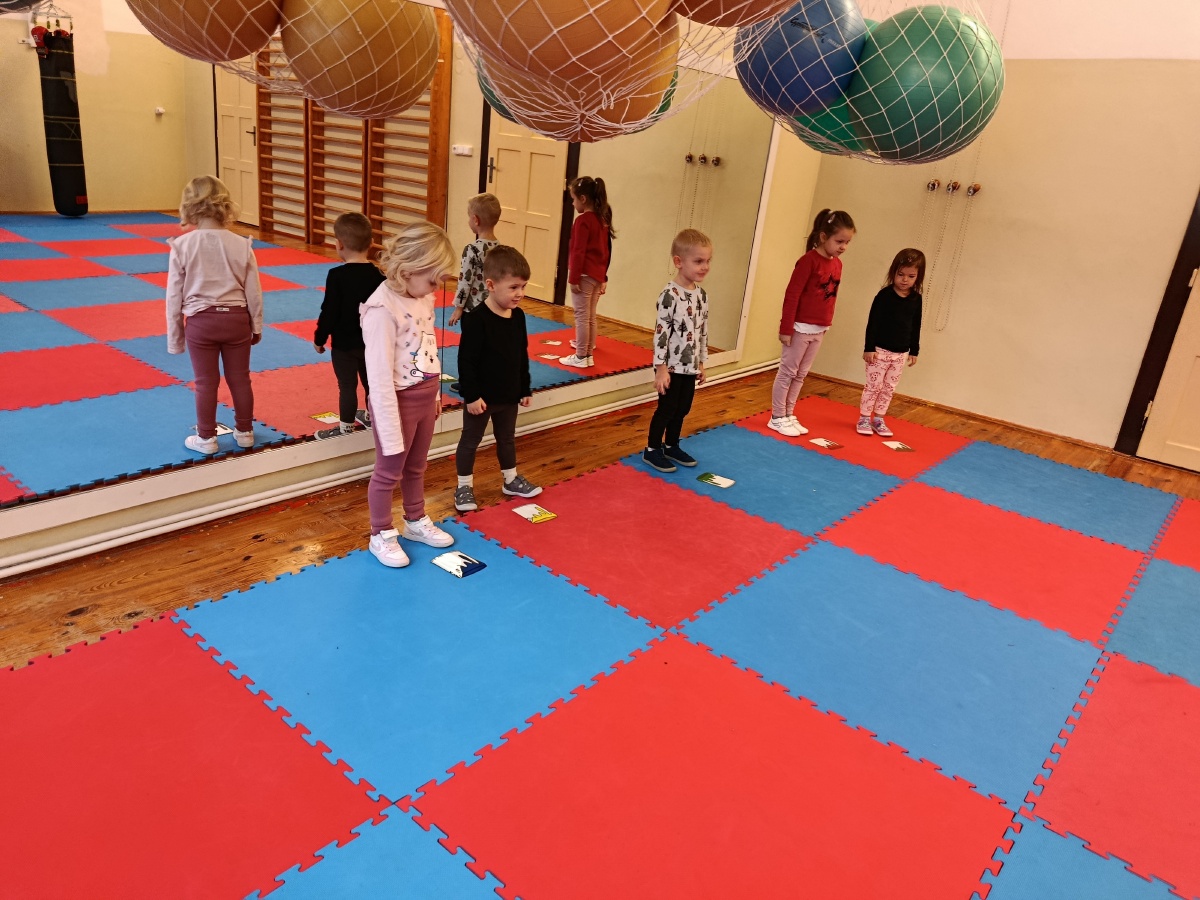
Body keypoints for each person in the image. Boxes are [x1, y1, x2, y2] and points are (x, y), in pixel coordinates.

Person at [362, 221, 457, 568]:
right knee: (389, 471)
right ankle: (381, 533)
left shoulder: (422, 297)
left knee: (417, 466)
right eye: (433, 280)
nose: (437, 288)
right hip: (396, 404)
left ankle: (415, 520)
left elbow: (428, 349)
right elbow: (378, 378)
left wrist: (436, 397)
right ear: (408, 271)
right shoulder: (381, 310)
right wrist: (388, 427)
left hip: (425, 397)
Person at [166, 175, 262, 455]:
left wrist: (175, 338)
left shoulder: (182, 246)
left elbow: (174, 296)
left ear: (189, 206)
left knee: (205, 383)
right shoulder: (241, 245)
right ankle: (245, 432)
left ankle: (206, 438)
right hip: (236, 320)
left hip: (201, 323)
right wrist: (256, 326)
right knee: (240, 378)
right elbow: (254, 292)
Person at [453, 245, 543, 512]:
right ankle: (464, 486)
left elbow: (521, 354)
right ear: (491, 285)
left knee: (507, 438)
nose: (520, 293)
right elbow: (466, 362)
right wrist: (471, 395)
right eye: (514, 287)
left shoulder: (519, 316)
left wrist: (524, 387)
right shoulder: (476, 320)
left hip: (509, 395)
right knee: (470, 441)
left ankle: (510, 479)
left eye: (523, 287)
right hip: (481, 398)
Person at [769, 208, 856, 437]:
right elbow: (792, 295)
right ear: (824, 237)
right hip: (799, 328)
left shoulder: (837, 264)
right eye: (839, 241)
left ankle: (789, 413)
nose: (843, 247)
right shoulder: (808, 261)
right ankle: (777, 416)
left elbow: (830, 297)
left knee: (801, 374)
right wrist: (786, 328)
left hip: (819, 328)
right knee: (788, 372)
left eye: (847, 242)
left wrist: (826, 323)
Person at [642, 229, 711, 473]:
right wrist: (660, 368)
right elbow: (661, 333)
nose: (705, 267)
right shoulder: (669, 295)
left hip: (690, 365)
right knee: (667, 409)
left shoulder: (701, 296)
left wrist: (701, 363)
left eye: (708, 261)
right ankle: (652, 449)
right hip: (670, 366)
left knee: (683, 408)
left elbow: (702, 331)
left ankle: (671, 445)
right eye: (698, 261)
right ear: (679, 262)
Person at [312, 212, 384, 439]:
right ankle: (373, 417)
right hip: (371, 343)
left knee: (347, 386)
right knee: (371, 384)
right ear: (371, 243)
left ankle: (345, 428)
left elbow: (329, 310)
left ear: (339, 244)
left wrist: (320, 337)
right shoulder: (379, 275)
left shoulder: (337, 276)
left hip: (344, 345)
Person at [858, 248, 925, 438]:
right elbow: (873, 322)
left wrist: (914, 350)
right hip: (879, 351)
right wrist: (869, 347)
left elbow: (916, 325)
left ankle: (879, 418)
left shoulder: (916, 299)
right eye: (900, 274)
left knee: (889, 388)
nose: (905, 280)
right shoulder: (884, 296)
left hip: (901, 353)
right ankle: (864, 417)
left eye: (911, 276)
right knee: (873, 386)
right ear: (893, 272)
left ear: (918, 277)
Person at [560, 175, 614, 368]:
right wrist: (603, 276)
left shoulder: (583, 221)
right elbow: (605, 251)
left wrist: (573, 278)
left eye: (574, 199)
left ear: (583, 199)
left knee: (582, 316)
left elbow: (578, 251)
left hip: (584, 275)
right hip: (596, 275)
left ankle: (581, 355)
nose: (573, 203)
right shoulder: (601, 219)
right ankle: (588, 352)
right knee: (590, 316)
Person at [448, 192, 501, 327]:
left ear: (475, 220)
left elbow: (465, 281)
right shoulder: (500, 248)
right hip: (493, 308)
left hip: (473, 310)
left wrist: (459, 308)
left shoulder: (472, 249)